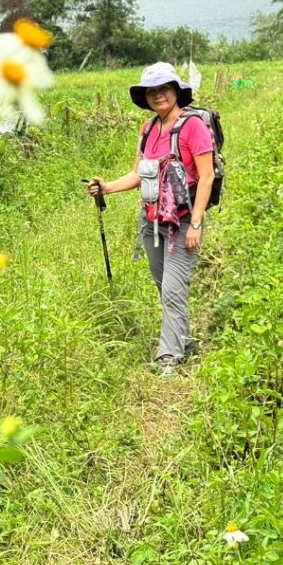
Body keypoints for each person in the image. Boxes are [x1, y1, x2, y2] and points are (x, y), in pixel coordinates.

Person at [87, 62, 215, 376]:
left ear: (176, 91)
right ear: (146, 97)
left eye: (164, 88)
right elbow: (138, 173)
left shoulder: (192, 126)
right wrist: (108, 187)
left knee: (173, 289)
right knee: (164, 286)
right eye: (152, 91)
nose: (159, 95)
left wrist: (196, 223)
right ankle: (183, 340)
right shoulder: (147, 129)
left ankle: (169, 357)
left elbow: (207, 176)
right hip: (151, 222)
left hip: (182, 222)